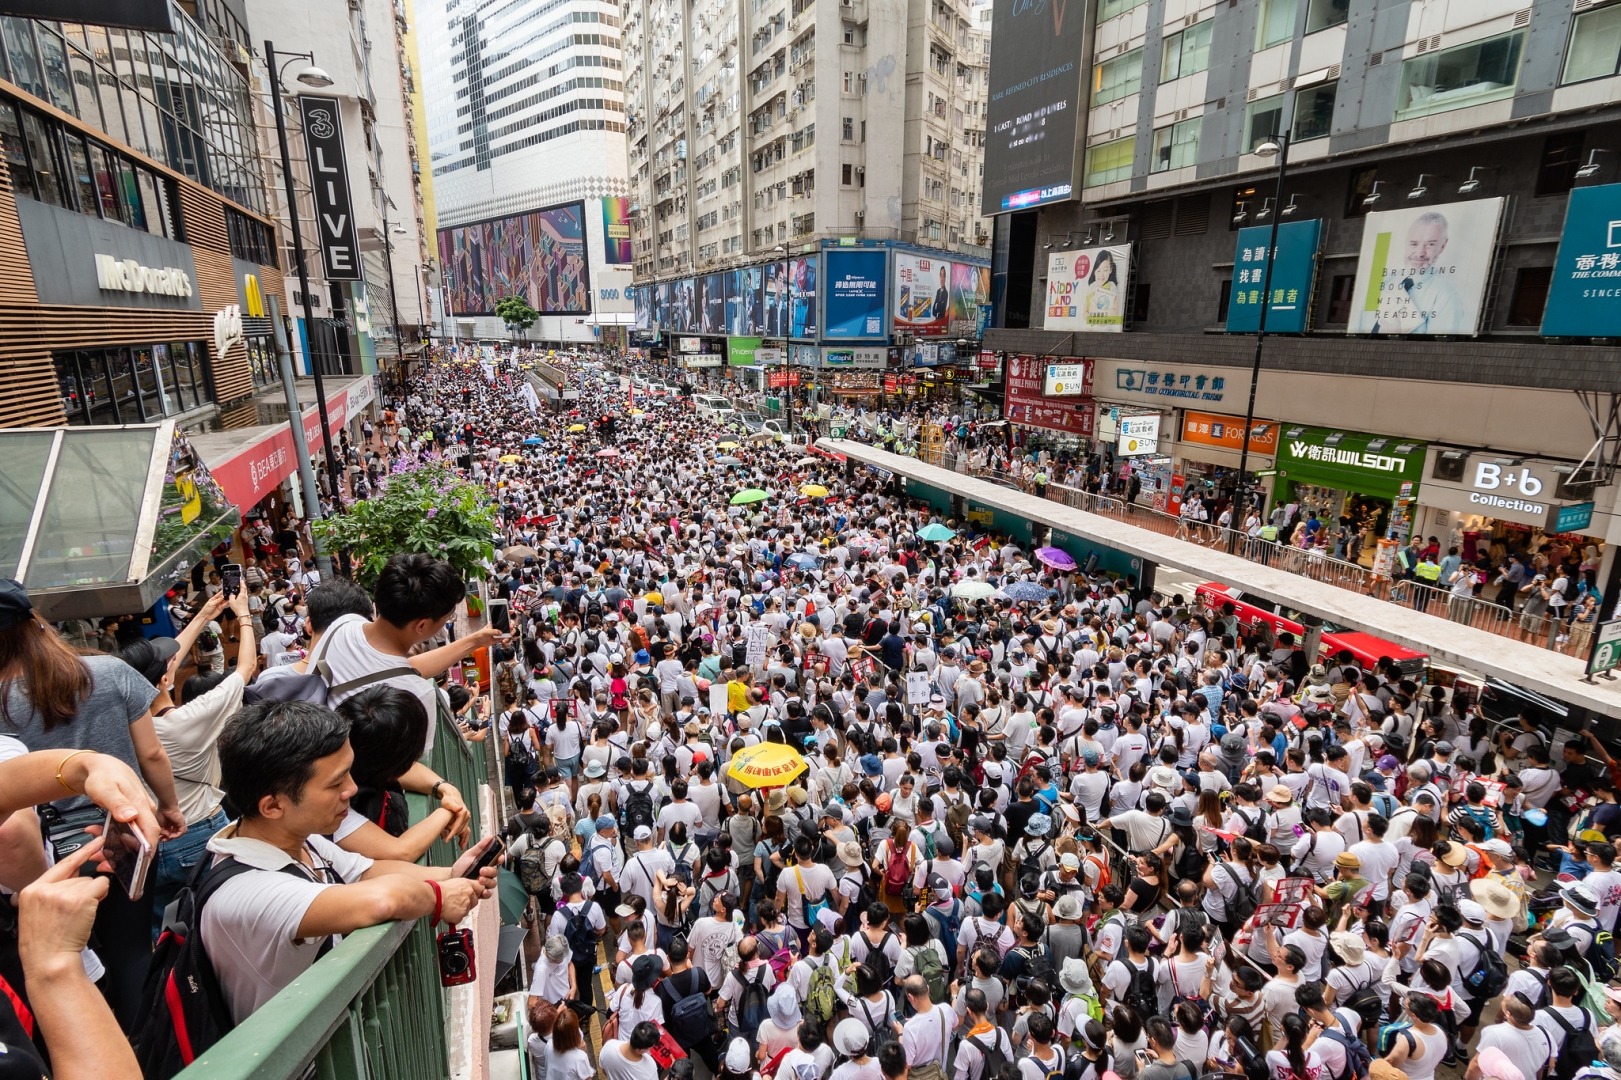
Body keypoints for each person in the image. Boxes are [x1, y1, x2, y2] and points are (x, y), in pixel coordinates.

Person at [202, 699, 498, 1024]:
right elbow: (383, 900)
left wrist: (451, 874)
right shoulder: (248, 893)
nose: (352, 789)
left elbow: (367, 871)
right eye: (336, 783)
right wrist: (439, 898)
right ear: (273, 806)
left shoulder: (296, 836)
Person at [0, 576, 185, 1026]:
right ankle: (142, 1050)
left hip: (41, 860)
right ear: (36, 622)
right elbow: (151, 753)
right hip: (119, 837)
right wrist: (168, 807)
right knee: (131, 951)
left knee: (63, 964)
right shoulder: (109, 672)